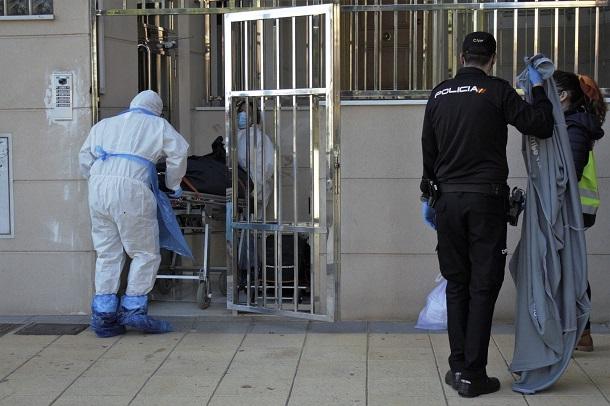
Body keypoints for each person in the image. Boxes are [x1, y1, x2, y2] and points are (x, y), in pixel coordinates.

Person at [420, 32, 554, 397]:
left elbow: (428, 151)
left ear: (461, 56)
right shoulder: (497, 91)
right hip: (485, 203)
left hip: (446, 201)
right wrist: (539, 90)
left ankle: (458, 367)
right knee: (482, 286)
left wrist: (427, 194)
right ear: (492, 60)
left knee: (457, 284)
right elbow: (540, 125)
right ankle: (473, 376)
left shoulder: (439, 93)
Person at [79, 90, 189, 337]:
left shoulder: (105, 124)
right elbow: (179, 153)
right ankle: (134, 309)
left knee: (107, 252)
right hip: (131, 189)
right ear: (157, 109)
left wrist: (99, 179)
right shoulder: (158, 125)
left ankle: (104, 316)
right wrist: (173, 185)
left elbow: (84, 157)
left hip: (97, 187)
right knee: (145, 253)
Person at [553, 70, 606, 352]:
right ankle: (579, 330)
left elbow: (569, 173)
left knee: (570, 268)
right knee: (570, 266)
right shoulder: (579, 122)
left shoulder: (576, 126)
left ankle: (581, 331)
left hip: (574, 206)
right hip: (579, 206)